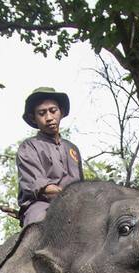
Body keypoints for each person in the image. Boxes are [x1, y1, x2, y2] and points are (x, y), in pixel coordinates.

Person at [15, 87, 85, 226]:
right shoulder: (28, 147)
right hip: (42, 206)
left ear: (61, 112)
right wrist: (71, 198)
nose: (49, 118)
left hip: (77, 207)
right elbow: (42, 188)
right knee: (38, 225)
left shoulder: (72, 149)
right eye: (42, 113)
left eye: (53, 111)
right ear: (33, 118)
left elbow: (82, 186)